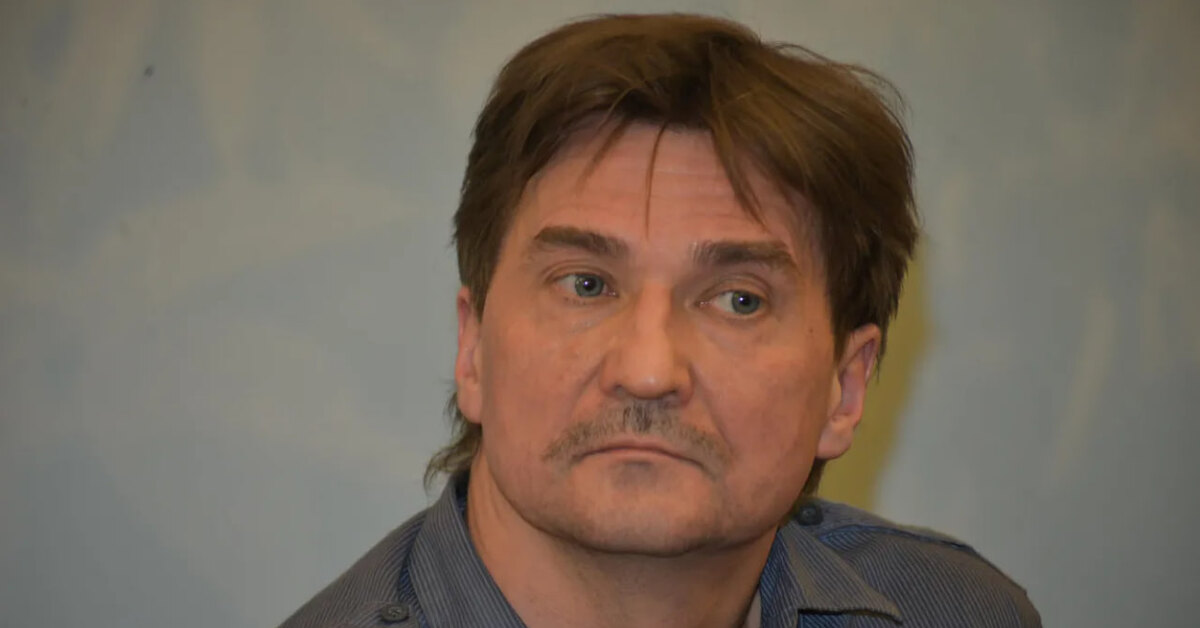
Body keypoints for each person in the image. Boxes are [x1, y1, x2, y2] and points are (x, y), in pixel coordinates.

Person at [280, 13, 1039, 628]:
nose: (647, 371)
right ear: (473, 349)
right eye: (586, 286)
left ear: (845, 388)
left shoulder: (961, 614)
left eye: (738, 300)